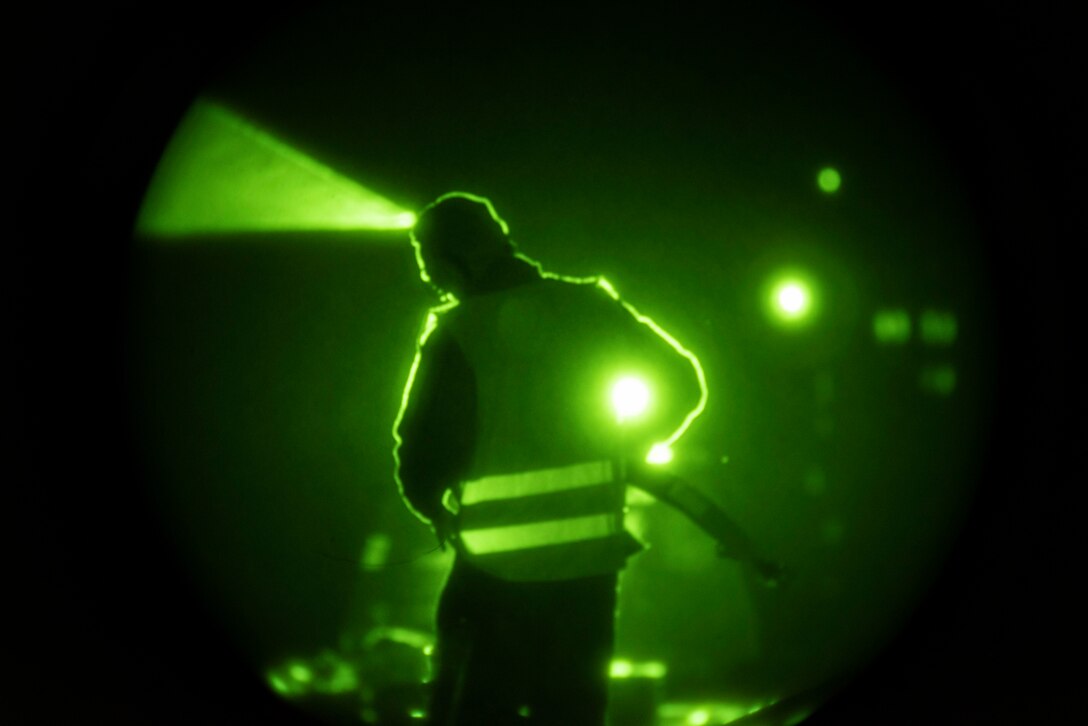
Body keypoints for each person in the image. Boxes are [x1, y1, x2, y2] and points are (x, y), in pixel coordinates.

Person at [394, 192, 780, 725]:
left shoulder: (460, 333)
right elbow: (685, 382)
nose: (428, 276)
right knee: (572, 712)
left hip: (492, 578)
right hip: (587, 577)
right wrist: (625, 445)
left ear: (456, 257)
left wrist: (434, 506)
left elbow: (417, 455)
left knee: (472, 710)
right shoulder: (592, 308)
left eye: (427, 260)